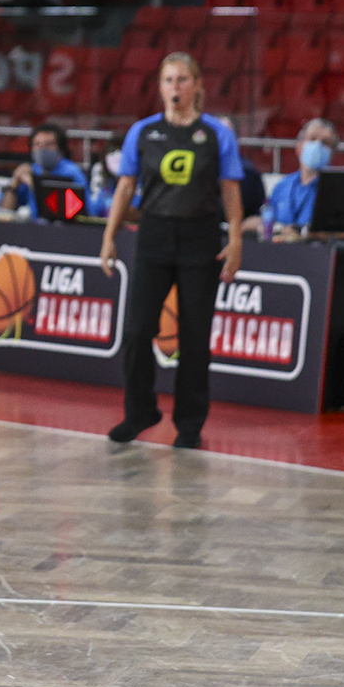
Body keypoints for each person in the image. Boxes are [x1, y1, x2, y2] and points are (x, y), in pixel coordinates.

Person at [99, 52, 244, 451]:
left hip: (201, 236)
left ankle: (190, 423)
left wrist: (235, 239)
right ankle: (139, 411)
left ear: (198, 85)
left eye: (182, 79)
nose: (174, 87)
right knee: (136, 331)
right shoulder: (143, 132)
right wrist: (109, 236)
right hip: (154, 234)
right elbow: (126, 187)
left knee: (195, 336)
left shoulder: (217, 134)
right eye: (167, 80)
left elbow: (230, 190)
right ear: (159, 86)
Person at [266, 118, 338, 239]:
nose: (318, 145)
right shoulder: (282, 186)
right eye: (312, 139)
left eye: (326, 143)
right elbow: (267, 220)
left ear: (333, 153)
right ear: (298, 148)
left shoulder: (337, 189)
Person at [2, 121, 89, 219]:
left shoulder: (72, 173)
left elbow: (59, 212)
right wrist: (14, 183)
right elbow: (6, 212)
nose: (42, 149)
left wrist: (33, 183)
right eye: (37, 144)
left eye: (48, 144)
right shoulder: (31, 170)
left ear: (61, 149)